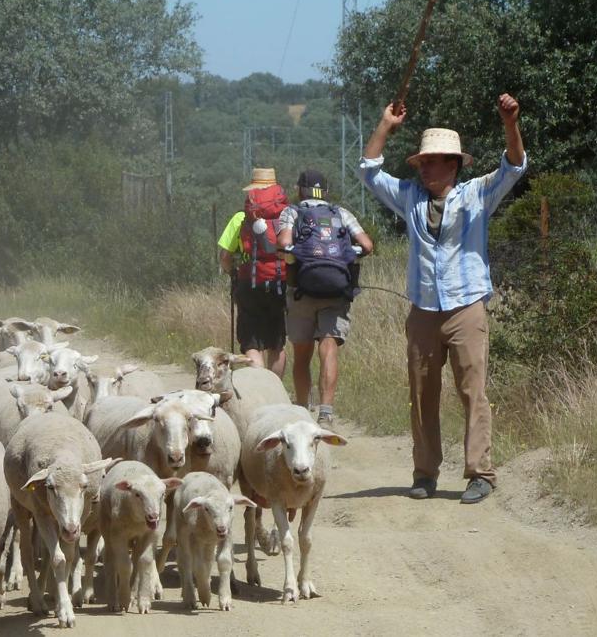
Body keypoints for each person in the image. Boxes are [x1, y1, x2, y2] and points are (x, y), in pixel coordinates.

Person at [359, 93, 525, 505]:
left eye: (433, 160)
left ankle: (480, 474)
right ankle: (425, 473)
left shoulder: (476, 194)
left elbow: (515, 165)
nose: (424, 166)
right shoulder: (410, 197)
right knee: (421, 392)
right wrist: (384, 126)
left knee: (473, 390)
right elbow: (368, 170)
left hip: (466, 306)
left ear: (453, 165)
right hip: (423, 309)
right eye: (423, 161)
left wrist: (510, 124)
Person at [276, 170, 374, 426]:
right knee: (328, 348)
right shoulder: (341, 213)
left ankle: (301, 410)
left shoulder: (292, 212)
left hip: (301, 292)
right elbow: (367, 245)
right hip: (337, 292)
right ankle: (326, 412)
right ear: (326, 192)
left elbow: (284, 244)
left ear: (300, 190)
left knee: (302, 354)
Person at [216, 168, 289, 378]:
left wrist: (232, 273)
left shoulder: (241, 217)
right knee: (277, 342)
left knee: (251, 342)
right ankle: (275, 390)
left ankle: (260, 387)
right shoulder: (287, 216)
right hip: (279, 282)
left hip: (249, 282)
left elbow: (225, 257)